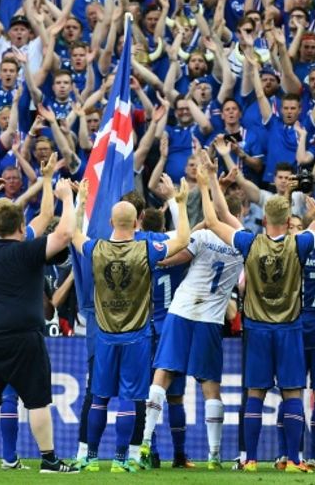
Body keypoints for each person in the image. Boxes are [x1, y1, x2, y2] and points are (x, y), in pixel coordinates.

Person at [198, 162, 315, 472]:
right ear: (288, 220)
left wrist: (206, 182)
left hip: (257, 329)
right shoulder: (299, 243)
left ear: (265, 219)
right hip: (290, 328)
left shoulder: (249, 243)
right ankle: (294, 459)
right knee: (293, 392)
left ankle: (250, 460)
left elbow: (212, 220)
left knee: (255, 392)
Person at [71, 181, 191, 473]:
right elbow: (184, 240)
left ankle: (90, 457)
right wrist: (182, 203)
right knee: (130, 397)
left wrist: (80, 201)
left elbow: (72, 233)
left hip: (105, 336)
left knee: (99, 396)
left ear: (111, 221)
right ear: (137, 222)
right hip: (137, 336)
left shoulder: (96, 248)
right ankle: (122, 458)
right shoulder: (146, 248)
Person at [140, 162, 246, 470]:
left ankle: (146, 441)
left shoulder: (202, 239)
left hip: (182, 311)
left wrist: (152, 261)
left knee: (163, 373)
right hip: (211, 319)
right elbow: (224, 219)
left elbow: (176, 257)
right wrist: (213, 182)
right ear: (240, 214)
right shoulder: (243, 243)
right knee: (210, 384)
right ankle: (214, 455)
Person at [0, 180, 76, 473]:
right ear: (23, 227)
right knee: (37, 401)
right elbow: (65, 233)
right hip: (24, 339)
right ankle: (49, 460)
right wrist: (68, 198)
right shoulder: (29, 251)